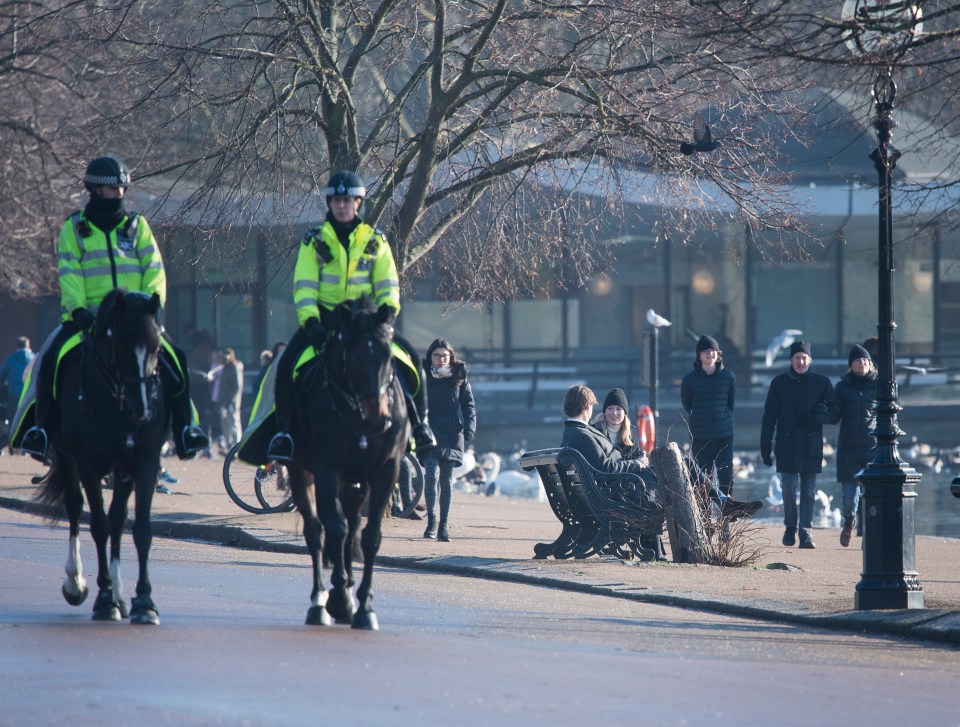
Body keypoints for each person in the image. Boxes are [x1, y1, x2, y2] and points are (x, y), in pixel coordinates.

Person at [16, 155, 208, 460]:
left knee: (177, 360)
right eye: (112, 189)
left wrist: (152, 303)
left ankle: (186, 430)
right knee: (50, 361)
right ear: (95, 189)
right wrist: (78, 310)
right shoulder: (74, 227)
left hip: (134, 318)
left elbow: (153, 267)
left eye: (122, 188)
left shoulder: (137, 226)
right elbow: (70, 271)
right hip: (87, 318)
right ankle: (40, 430)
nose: (118, 194)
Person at [266, 170, 435, 462]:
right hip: (326, 321)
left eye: (347, 200)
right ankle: (283, 435)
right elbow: (304, 285)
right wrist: (311, 323)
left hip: (367, 322)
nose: (341, 206)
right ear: (329, 204)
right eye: (336, 200)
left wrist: (387, 313)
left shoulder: (375, 240)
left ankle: (420, 426)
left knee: (412, 360)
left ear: (358, 203)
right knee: (285, 366)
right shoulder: (313, 241)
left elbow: (387, 282)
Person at [565, 386, 760, 520]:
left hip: (623, 482)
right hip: (621, 486)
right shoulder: (588, 433)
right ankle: (719, 504)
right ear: (587, 407)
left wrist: (640, 461)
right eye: (609, 408)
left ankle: (718, 504)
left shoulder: (593, 433)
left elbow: (608, 463)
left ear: (624, 413)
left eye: (619, 409)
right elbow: (607, 467)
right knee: (683, 465)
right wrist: (638, 464)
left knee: (684, 464)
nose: (614, 413)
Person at [760, 340, 837, 549]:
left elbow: (835, 413)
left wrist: (819, 417)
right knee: (788, 487)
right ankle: (790, 526)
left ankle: (806, 532)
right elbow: (769, 416)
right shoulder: (779, 383)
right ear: (791, 360)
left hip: (811, 442)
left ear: (810, 360)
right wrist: (765, 446)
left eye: (804, 357)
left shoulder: (821, 383)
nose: (801, 361)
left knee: (809, 490)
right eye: (797, 357)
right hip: (786, 442)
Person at [421, 339, 476, 542]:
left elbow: (468, 405)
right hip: (429, 431)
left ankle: (444, 525)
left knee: (446, 479)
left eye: (445, 356)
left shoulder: (459, 375)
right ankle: (431, 522)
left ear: (450, 357)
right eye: (437, 356)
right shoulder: (423, 375)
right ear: (430, 357)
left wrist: (470, 427)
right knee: (432, 475)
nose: (441, 359)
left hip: (453, 432)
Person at [826, 344, 877, 547]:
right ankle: (849, 522)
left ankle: (870, 535)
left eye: (865, 359)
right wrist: (820, 413)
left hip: (873, 448)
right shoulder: (843, 387)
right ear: (851, 365)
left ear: (870, 363)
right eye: (857, 360)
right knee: (849, 498)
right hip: (848, 448)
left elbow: (889, 412)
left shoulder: (878, 385)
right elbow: (834, 415)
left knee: (873, 497)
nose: (862, 362)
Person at [680, 334, 737, 496]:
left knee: (726, 476)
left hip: (724, 434)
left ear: (718, 354)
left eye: (713, 350)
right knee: (702, 478)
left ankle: (726, 513)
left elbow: (730, 404)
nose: (710, 354)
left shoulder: (728, 377)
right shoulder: (689, 380)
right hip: (700, 436)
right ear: (699, 355)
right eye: (706, 351)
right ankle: (704, 516)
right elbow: (687, 404)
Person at [0, 337, 33, 425]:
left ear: (17, 346)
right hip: (30, 394)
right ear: (29, 346)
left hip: (14, 394)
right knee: (30, 418)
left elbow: (1, 378)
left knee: (13, 420)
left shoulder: (9, 360)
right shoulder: (34, 359)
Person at [217, 348, 243, 451]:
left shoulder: (234, 367)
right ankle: (229, 446)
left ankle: (236, 448)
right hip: (224, 402)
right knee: (225, 425)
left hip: (232, 403)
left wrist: (230, 400)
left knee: (234, 424)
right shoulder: (226, 367)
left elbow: (237, 386)